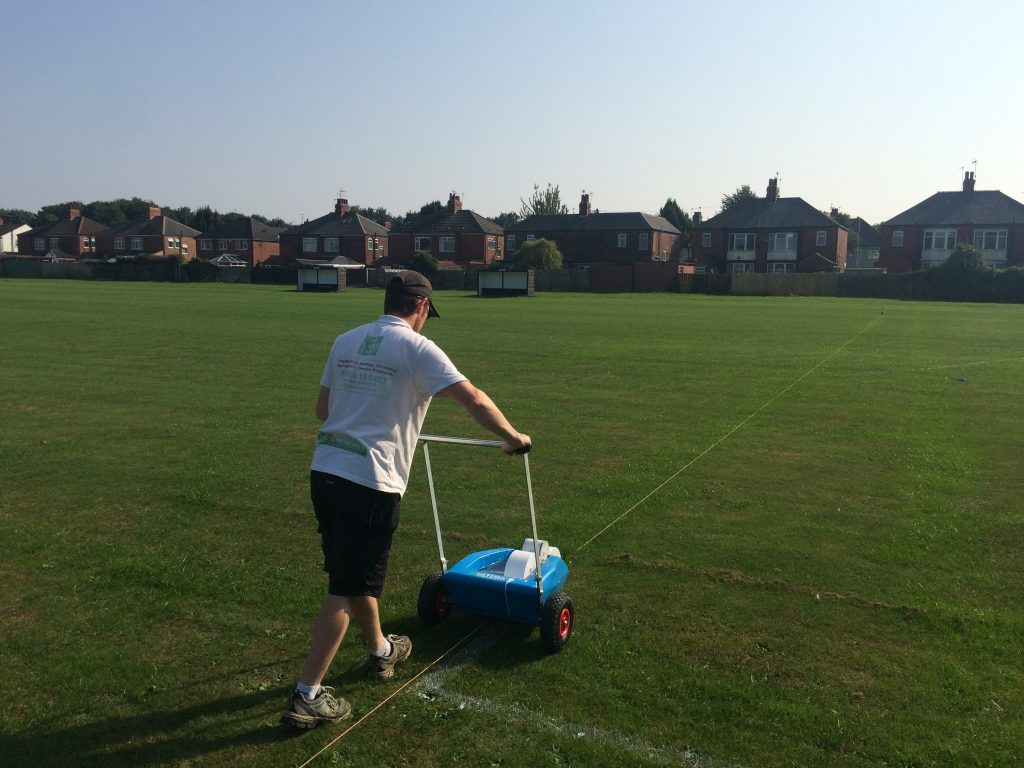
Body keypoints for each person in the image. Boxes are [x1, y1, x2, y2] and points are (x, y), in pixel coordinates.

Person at [282, 270, 532, 730]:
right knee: (343, 588)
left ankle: (381, 650)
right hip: (370, 481)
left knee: (354, 577)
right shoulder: (417, 348)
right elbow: (473, 399)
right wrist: (514, 437)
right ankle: (307, 696)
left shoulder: (346, 340)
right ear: (420, 307)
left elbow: (323, 410)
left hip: (326, 472)